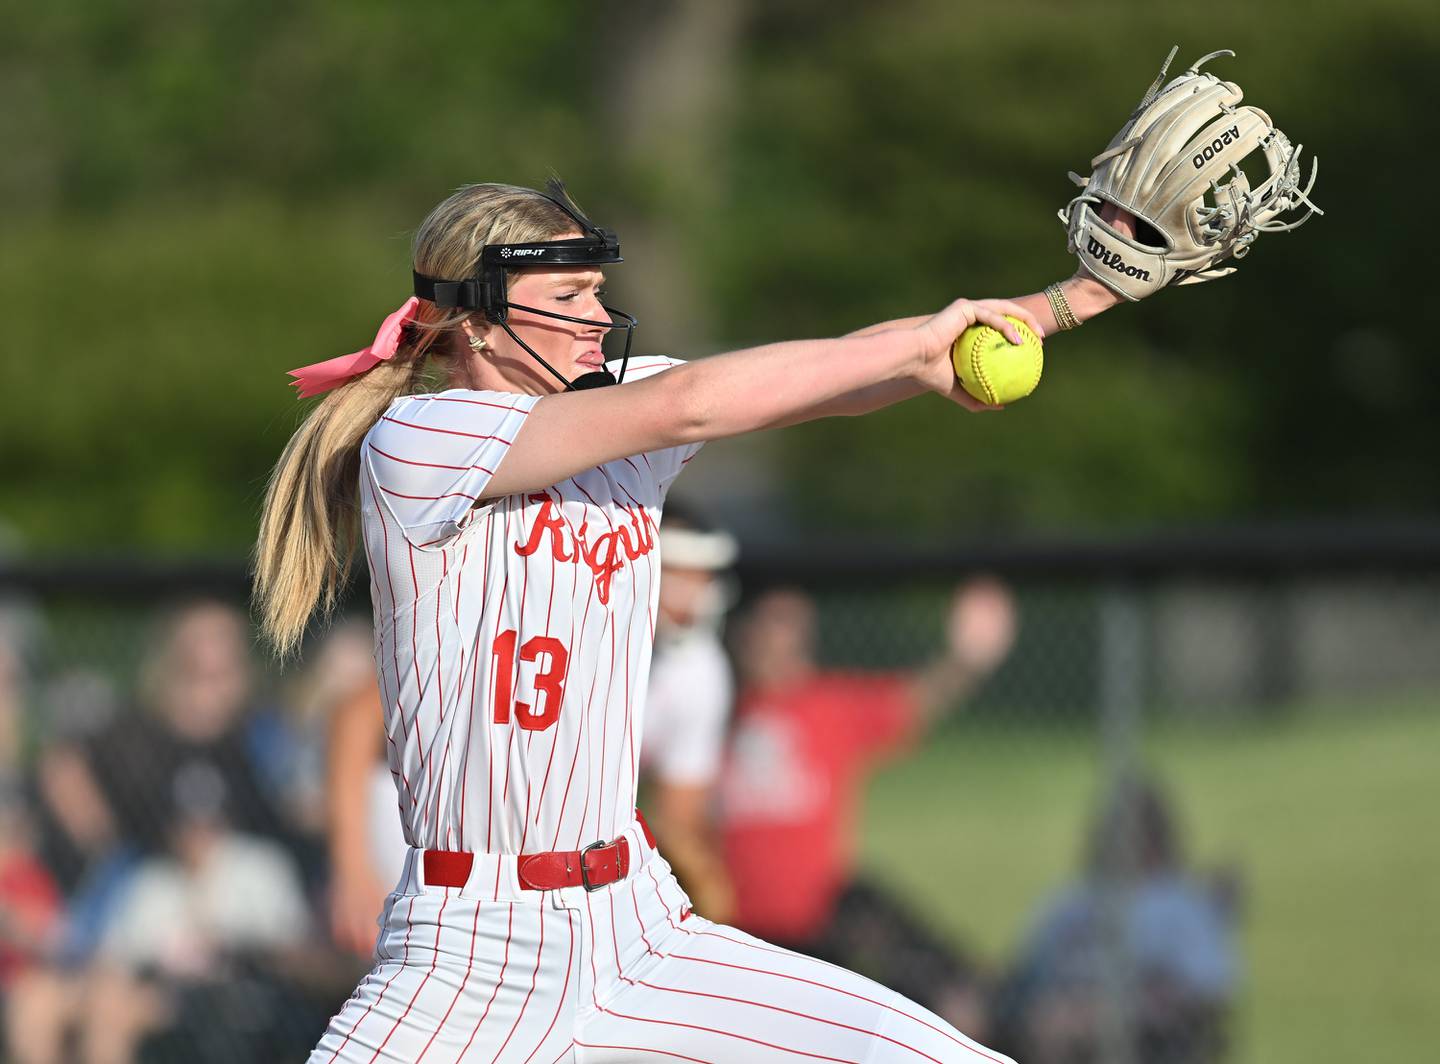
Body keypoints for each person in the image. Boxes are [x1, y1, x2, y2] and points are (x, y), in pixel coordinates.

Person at [254, 178, 1129, 1061]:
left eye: (597, 289)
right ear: (475, 323)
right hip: (472, 948)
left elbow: (826, 371)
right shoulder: (422, 439)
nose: (598, 314)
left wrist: (1072, 299)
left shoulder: (612, 414)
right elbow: (692, 402)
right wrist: (916, 340)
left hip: (634, 924)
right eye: (568, 296)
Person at [719, 580, 1017, 1038]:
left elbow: (913, 701)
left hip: (817, 928)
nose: (784, 639)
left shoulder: (825, 705)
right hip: (729, 934)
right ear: (743, 630)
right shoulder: (712, 709)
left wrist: (966, 659)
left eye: (795, 626)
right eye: (772, 624)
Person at [992, 774, 1239, 1064]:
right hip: (1058, 1006)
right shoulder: (1074, 899)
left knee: (1059, 1026)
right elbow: (1023, 968)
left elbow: (1207, 990)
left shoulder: (1180, 904)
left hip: (1138, 1022)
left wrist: (1113, 1006)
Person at [637, 502, 739, 924]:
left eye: (705, 575)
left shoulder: (700, 670)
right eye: (685, 572)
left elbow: (676, 817)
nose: (700, 590)